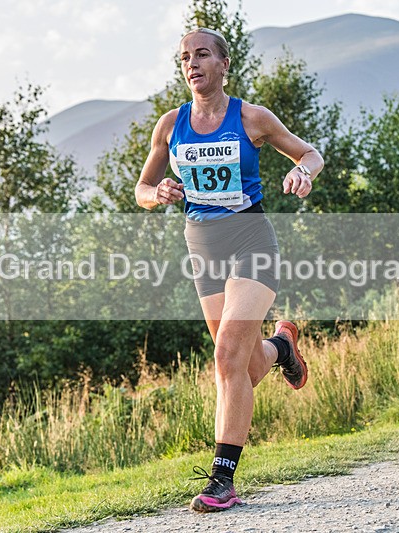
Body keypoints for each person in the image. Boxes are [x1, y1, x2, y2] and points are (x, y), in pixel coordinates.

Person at [135, 27, 324, 513]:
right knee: (242, 362)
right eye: (184, 58)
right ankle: (281, 346)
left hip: (250, 240)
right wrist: (156, 194)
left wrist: (302, 171)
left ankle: (222, 478)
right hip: (203, 248)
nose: (192, 64)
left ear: (223, 64)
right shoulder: (168, 125)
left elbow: (310, 152)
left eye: (202, 55)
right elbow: (142, 187)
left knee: (225, 356)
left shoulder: (252, 118)